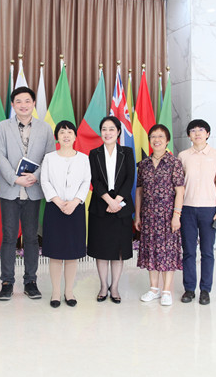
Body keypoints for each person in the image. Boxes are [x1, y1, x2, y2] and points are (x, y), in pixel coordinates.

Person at [0, 86, 56, 301]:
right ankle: (7, 282)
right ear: (12, 104)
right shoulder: (2, 127)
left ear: (33, 103)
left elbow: (49, 156)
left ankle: (31, 281)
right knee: (9, 237)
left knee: (31, 237)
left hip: (33, 190)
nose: (23, 105)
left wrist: (35, 176)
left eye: (27, 101)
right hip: (10, 190)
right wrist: (15, 178)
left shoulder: (45, 128)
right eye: (18, 101)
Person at [41, 121, 91, 308]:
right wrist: (58, 201)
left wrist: (75, 201)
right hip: (54, 208)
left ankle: (69, 291)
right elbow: (44, 181)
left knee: (72, 253)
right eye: (62, 132)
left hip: (75, 208)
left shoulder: (83, 158)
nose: (66, 135)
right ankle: (55, 291)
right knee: (55, 253)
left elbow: (86, 182)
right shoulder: (49, 158)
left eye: (70, 132)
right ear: (57, 137)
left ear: (75, 136)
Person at [178, 119, 216, 305]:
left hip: (209, 210)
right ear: (189, 135)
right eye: (193, 130)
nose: (197, 133)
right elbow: (178, 186)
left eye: (201, 130)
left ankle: (205, 290)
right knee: (188, 251)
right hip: (187, 209)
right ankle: (189, 288)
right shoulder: (183, 156)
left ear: (208, 134)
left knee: (207, 252)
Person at [135, 124, 185, 306]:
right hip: (148, 216)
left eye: (160, 136)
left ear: (167, 140)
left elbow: (180, 191)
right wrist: (138, 216)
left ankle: (166, 291)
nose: (156, 140)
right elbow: (139, 192)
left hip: (168, 216)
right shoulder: (144, 165)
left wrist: (176, 215)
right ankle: (154, 289)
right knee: (151, 251)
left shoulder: (174, 163)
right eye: (153, 136)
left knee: (168, 252)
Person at [87, 116, 135, 303]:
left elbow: (130, 178)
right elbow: (95, 180)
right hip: (101, 205)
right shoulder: (94, 153)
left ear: (118, 132)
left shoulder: (127, 152)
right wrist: (108, 200)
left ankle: (114, 287)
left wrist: (117, 201)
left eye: (111, 129)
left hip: (121, 206)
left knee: (118, 250)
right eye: (104, 129)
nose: (107, 133)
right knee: (101, 249)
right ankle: (103, 286)